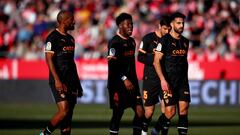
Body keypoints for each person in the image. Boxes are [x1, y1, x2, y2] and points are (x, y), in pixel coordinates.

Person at [40, 10, 83, 135]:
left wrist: (78, 84)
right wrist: (57, 80)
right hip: (58, 80)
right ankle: (44, 134)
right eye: (71, 19)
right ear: (63, 21)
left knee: (68, 117)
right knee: (63, 111)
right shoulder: (52, 37)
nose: (74, 21)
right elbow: (49, 60)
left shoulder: (71, 39)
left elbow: (71, 63)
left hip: (71, 81)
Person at [153, 12, 190, 135]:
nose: (181, 25)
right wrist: (163, 80)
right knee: (170, 112)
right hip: (168, 81)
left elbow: (184, 61)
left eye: (183, 23)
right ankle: (155, 130)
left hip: (183, 81)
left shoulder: (185, 42)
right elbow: (156, 61)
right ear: (172, 24)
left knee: (184, 110)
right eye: (178, 23)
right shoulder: (164, 41)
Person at [107, 12, 144, 135]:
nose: (131, 27)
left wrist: (133, 81)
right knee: (118, 114)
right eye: (127, 24)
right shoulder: (114, 43)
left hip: (132, 84)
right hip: (117, 84)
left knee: (140, 111)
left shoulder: (132, 42)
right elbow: (112, 66)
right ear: (120, 26)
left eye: (132, 24)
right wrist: (124, 78)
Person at [137, 16, 171, 135]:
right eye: (165, 29)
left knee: (168, 110)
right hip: (150, 78)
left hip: (165, 79)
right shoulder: (148, 38)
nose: (167, 31)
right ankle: (144, 131)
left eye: (169, 29)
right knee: (149, 112)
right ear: (160, 26)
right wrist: (155, 58)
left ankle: (156, 130)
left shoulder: (170, 40)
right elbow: (140, 57)